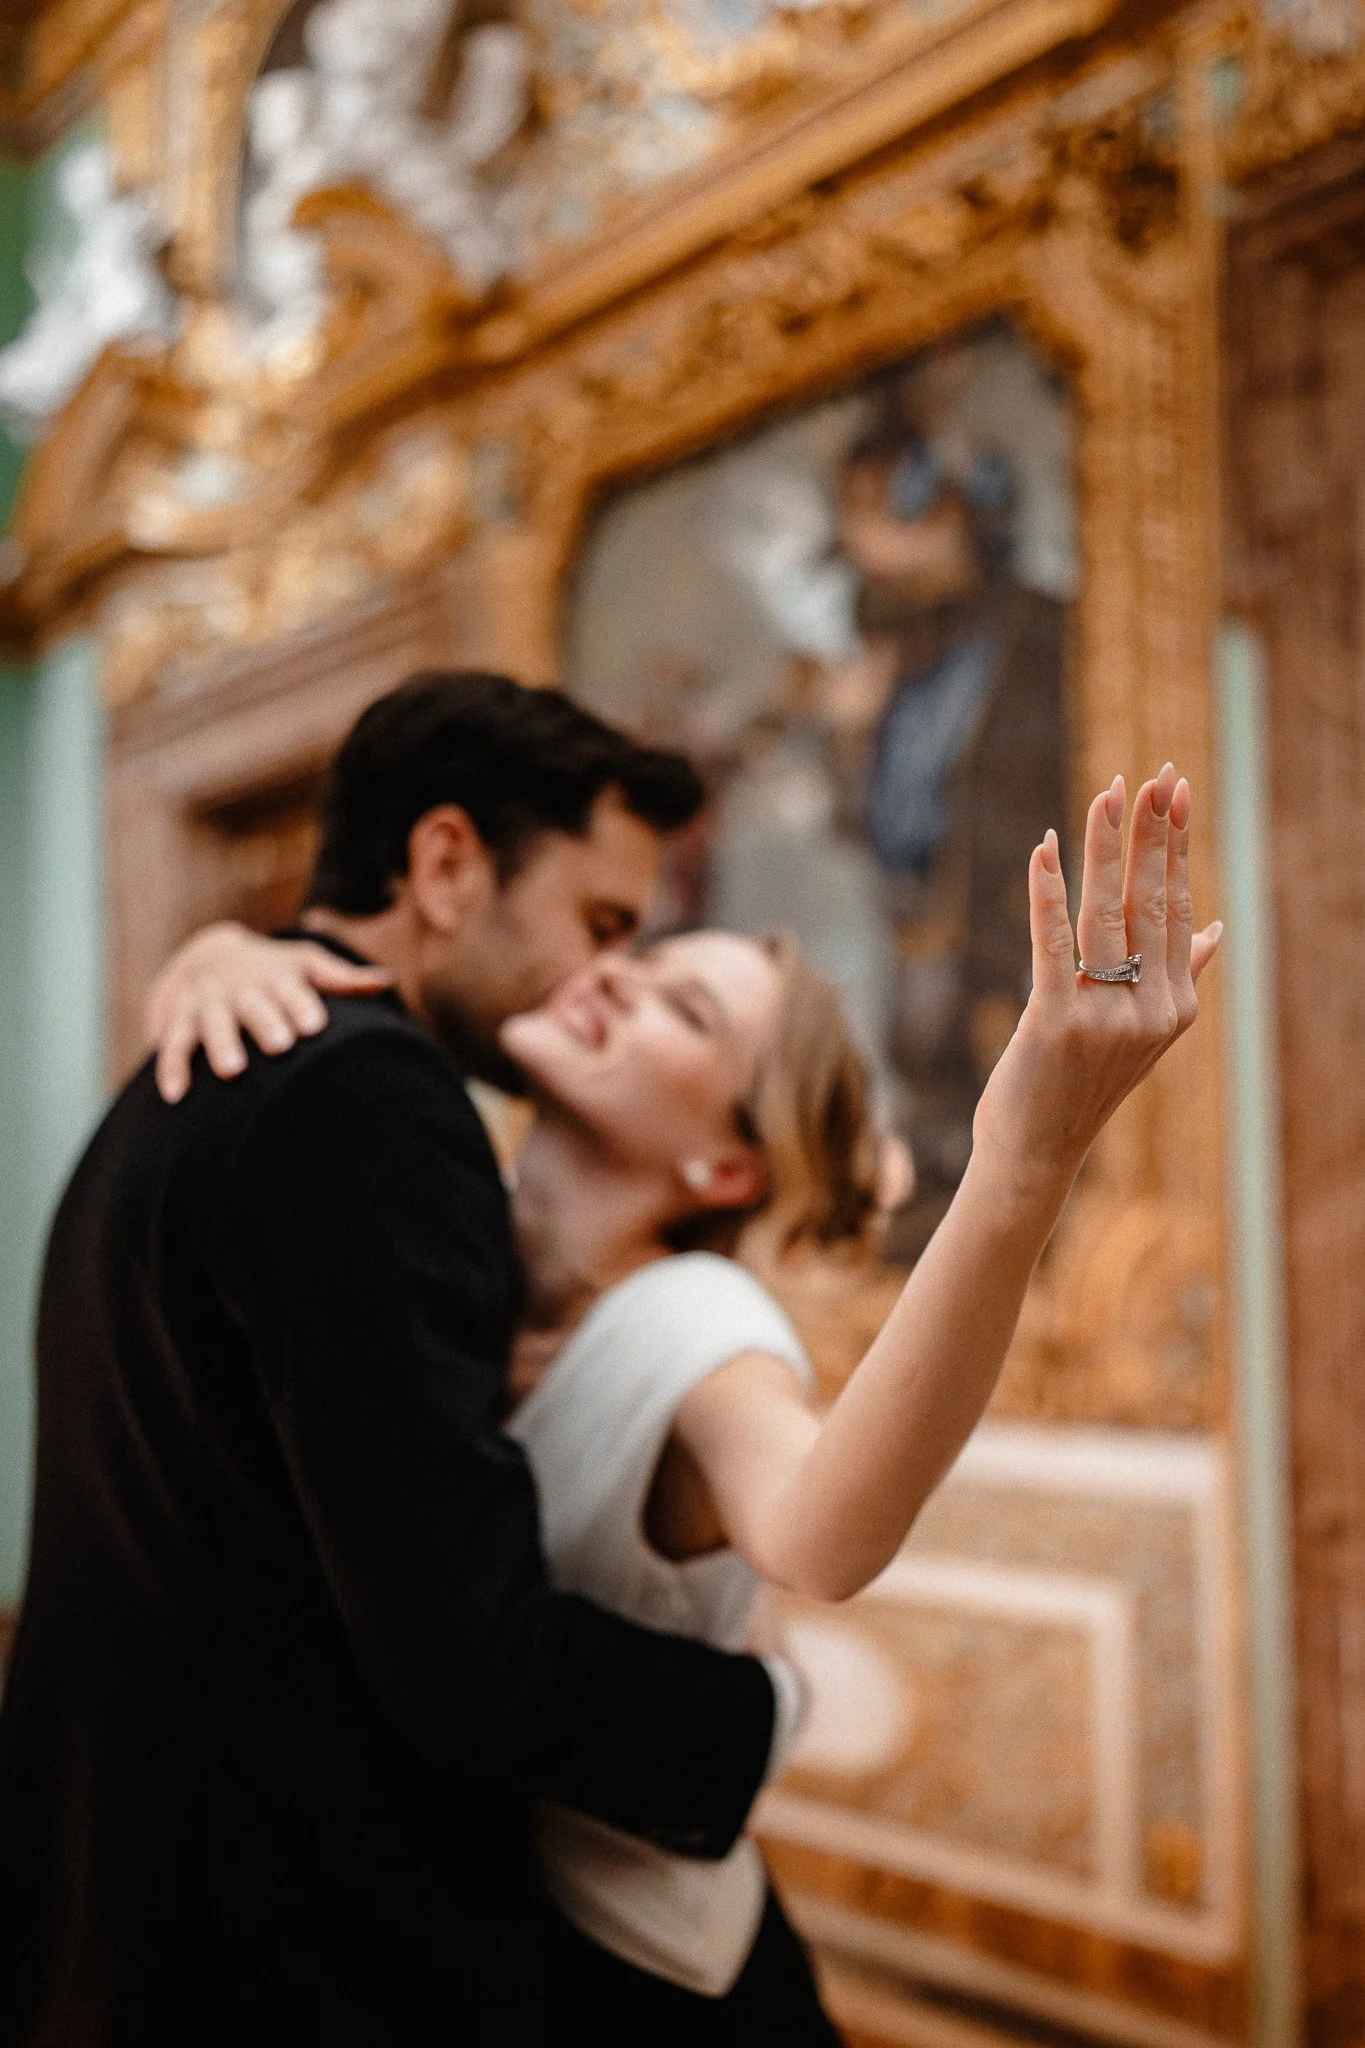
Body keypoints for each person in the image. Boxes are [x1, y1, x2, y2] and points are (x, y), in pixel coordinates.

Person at [147, 726, 1221, 2036]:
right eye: (639, 959)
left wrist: (1018, 1170)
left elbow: (823, 1535)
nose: (615, 983)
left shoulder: (696, 1327)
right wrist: (222, 958)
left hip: (664, 1996)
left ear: (726, 1168)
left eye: (684, 1011)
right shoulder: (449, 1235)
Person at [0, 673, 818, 2048]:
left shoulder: (176, 1078)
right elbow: (469, 1664)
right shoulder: (377, 1103)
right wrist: (761, 1709)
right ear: (446, 864)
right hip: (291, 1950)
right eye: (600, 922)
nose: (599, 975)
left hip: (105, 1903)